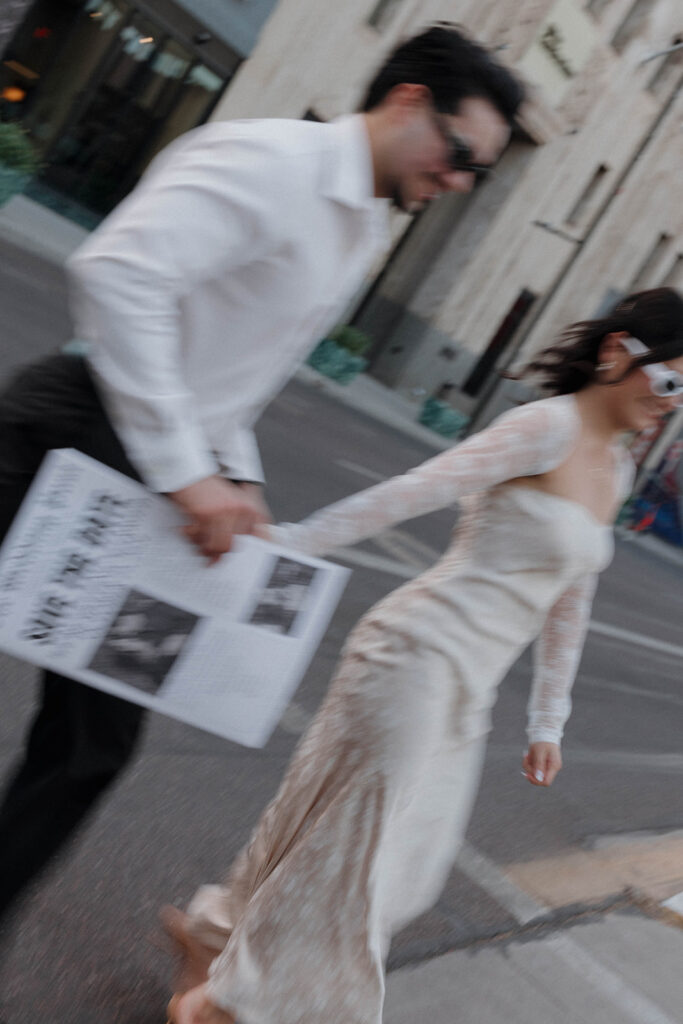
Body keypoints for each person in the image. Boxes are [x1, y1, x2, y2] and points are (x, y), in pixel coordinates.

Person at [0, 26, 523, 922]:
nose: (458, 182)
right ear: (406, 101)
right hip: (76, 428)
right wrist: (184, 470)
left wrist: (232, 474)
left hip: (162, 471)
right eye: (460, 152)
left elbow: (236, 366)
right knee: (91, 735)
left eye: (476, 172)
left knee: (93, 740)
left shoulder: (360, 225)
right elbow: (120, 276)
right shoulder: (268, 158)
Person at [165, 288, 683, 1024]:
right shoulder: (542, 427)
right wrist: (291, 543)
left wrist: (547, 720)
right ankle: (229, 1006)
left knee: (397, 864)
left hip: (465, 687)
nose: (673, 402)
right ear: (614, 354)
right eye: (669, 380)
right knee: (358, 861)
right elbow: (413, 492)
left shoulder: (618, 470)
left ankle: (215, 936)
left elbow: (571, 599)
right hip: (412, 653)